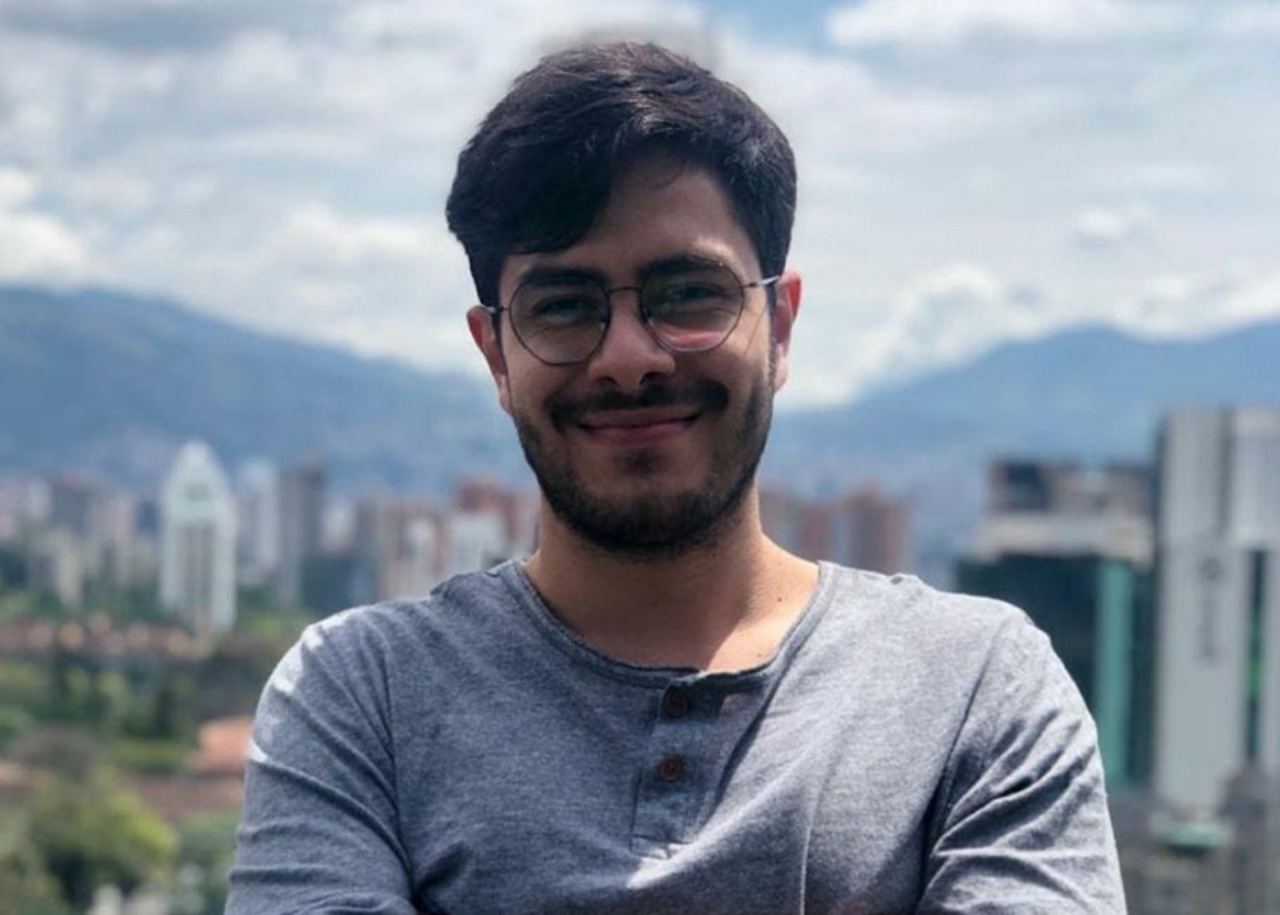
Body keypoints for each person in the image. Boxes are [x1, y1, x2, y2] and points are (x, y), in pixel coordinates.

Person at [227, 42, 1126, 914]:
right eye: (564, 306)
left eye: (689, 293)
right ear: (495, 353)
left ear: (779, 326)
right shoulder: (364, 695)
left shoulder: (975, 686)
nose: (628, 357)